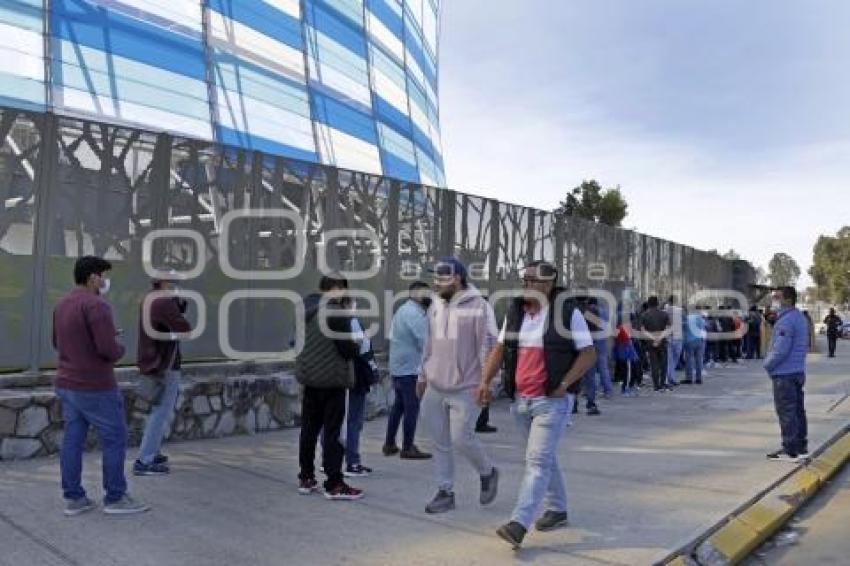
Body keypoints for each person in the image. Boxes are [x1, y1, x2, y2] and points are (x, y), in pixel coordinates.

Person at [480, 261, 596, 549]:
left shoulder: (568, 313)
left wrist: (565, 385)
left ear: (550, 283)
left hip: (551, 401)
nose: (528, 285)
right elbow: (499, 348)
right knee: (543, 459)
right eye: (525, 279)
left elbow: (588, 353)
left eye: (534, 280)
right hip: (521, 401)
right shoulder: (516, 311)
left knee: (536, 463)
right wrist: (484, 381)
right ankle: (557, 510)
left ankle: (519, 524)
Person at [53, 256, 149, 516]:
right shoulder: (98, 306)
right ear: (93, 277)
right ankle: (115, 497)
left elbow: (57, 342)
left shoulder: (62, 304)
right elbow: (108, 350)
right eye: (104, 275)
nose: (106, 281)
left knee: (73, 440)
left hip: (67, 382)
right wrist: (120, 347)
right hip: (95, 385)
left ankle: (74, 499)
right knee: (115, 438)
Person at [417, 257, 499, 514]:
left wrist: (488, 383)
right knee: (439, 442)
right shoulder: (435, 305)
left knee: (461, 439)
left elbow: (489, 346)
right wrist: (422, 375)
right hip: (435, 384)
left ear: (458, 279)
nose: (436, 282)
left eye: (442, 278)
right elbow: (428, 343)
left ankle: (488, 472)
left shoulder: (479, 307)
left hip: (467, 386)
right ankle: (445, 491)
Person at [296, 273, 364, 500]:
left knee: (309, 430)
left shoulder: (305, 309)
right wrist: (357, 342)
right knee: (334, 433)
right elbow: (349, 350)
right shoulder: (335, 312)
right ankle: (334, 483)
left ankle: (306, 478)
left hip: (310, 378)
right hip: (333, 380)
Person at [134, 274, 192, 475]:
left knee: (157, 410)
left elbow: (170, 319)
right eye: (175, 281)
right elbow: (183, 328)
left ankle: (152, 451)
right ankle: (145, 459)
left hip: (154, 361)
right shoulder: (162, 302)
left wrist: (178, 304)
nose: (178, 285)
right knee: (161, 412)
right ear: (165, 282)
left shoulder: (151, 298)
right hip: (165, 364)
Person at [384, 281, 432, 459]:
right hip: (409, 368)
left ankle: (389, 444)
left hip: (399, 367)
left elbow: (391, 336)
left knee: (399, 406)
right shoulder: (414, 314)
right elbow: (424, 341)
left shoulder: (403, 310)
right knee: (412, 407)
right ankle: (407, 447)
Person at [763, 287, 809, 462]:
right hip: (797, 370)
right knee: (797, 410)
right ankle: (801, 445)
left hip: (784, 373)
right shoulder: (799, 317)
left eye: (777, 297)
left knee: (787, 411)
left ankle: (790, 449)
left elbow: (781, 350)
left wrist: (768, 365)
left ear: (788, 300)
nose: (774, 299)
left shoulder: (786, 321)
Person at [342, 312, 378, 477]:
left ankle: (328, 461)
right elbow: (361, 347)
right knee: (354, 421)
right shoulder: (352, 321)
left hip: (335, 376)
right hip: (355, 376)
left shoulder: (326, 320)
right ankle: (352, 462)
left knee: (334, 422)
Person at [639, 296, 671, 392]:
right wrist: (659, 338)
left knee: (654, 364)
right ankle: (662, 384)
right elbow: (669, 328)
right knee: (664, 364)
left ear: (648, 304)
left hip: (650, 343)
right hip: (662, 342)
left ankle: (656, 386)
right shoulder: (664, 314)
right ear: (657, 303)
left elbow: (642, 330)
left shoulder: (644, 315)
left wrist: (653, 339)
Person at [614, 316, 640, 396]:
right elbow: (627, 343)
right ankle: (626, 389)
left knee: (627, 372)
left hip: (624, 354)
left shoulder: (621, 329)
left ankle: (627, 388)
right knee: (628, 373)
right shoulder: (623, 329)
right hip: (626, 354)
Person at [682, 307, 706, 384]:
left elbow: (682, 329)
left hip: (689, 341)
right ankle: (699, 379)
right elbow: (703, 330)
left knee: (689, 360)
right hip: (699, 341)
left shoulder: (686, 319)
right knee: (699, 360)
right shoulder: (701, 319)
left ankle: (689, 378)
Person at [665, 296, 684, 387]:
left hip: (669, 337)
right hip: (678, 337)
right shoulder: (680, 311)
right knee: (674, 359)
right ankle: (671, 378)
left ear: (669, 301)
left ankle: (670, 378)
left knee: (670, 360)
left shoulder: (665, 310)